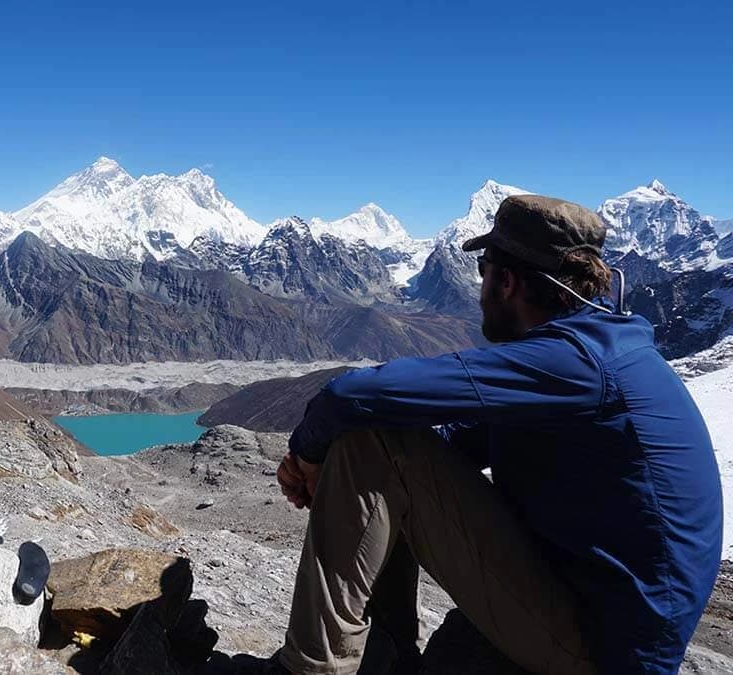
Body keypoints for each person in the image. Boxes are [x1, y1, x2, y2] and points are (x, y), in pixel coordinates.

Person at [275, 195, 723, 674]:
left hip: (603, 652)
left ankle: (310, 669)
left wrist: (307, 454)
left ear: (506, 281)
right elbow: (453, 442)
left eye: (483, 270)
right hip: (608, 621)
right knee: (385, 434)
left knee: (376, 436)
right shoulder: (601, 350)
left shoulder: (573, 365)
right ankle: (383, 656)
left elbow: (350, 395)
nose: (481, 286)